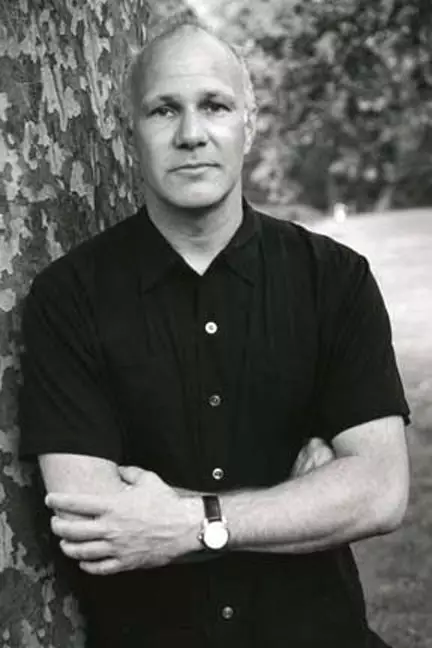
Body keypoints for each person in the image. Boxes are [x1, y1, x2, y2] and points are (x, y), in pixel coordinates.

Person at [19, 11, 410, 648]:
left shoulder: (335, 280)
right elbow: (95, 521)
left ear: (248, 125)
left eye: (215, 106)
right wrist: (300, 499)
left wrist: (185, 522)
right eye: (164, 110)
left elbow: (381, 493)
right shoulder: (69, 297)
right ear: (130, 132)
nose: (192, 134)